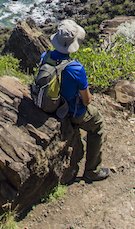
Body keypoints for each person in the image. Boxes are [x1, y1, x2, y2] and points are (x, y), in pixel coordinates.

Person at [44, 19, 110, 182]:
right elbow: (87, 101)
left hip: (50, 106)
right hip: (73, 112)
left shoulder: (44, 57)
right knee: (98, 124)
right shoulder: (76, 68)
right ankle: (92, 171)